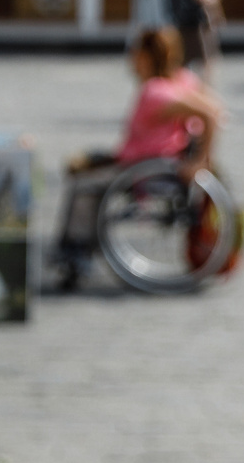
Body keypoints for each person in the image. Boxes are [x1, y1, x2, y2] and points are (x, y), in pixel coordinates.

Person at [54, 27, 226, 287]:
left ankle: (75, 252)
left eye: (134, 53)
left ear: (146, 57)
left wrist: (201, 160)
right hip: (149, 161)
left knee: (83, 185)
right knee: (84, 164)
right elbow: (215, 108)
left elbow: (211, 115)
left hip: (144, 169)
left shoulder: (155, 93)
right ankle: (79, 248)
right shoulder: (183, 80)